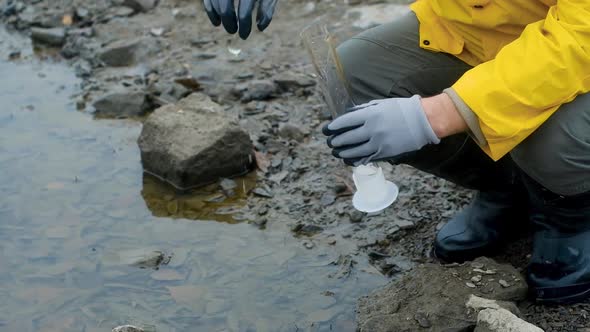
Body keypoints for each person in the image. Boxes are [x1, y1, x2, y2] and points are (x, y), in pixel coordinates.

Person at [204, 0, 590, 304]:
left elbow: (580, 35)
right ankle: (509, 188)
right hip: (484, 30)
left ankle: (570, 214)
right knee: (355, 77)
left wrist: (438, 113)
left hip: (578, 48)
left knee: (550, 135)